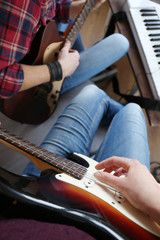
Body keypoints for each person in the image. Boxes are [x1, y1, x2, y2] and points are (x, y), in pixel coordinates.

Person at [22, 84, 160, 226]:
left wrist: (154, 201)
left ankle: (112, 113)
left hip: (34, 196)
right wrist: (154, 200)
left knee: (94, 93)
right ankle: (114, 115)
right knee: (132, 109)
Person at [0, 0, 129, 99]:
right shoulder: (23, 5)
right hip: (29, 91)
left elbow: (53, 8)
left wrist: (86, 5)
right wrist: (59, 69)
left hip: (36, 49)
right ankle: (75, 83)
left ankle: (80, 78)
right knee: (120, 42)